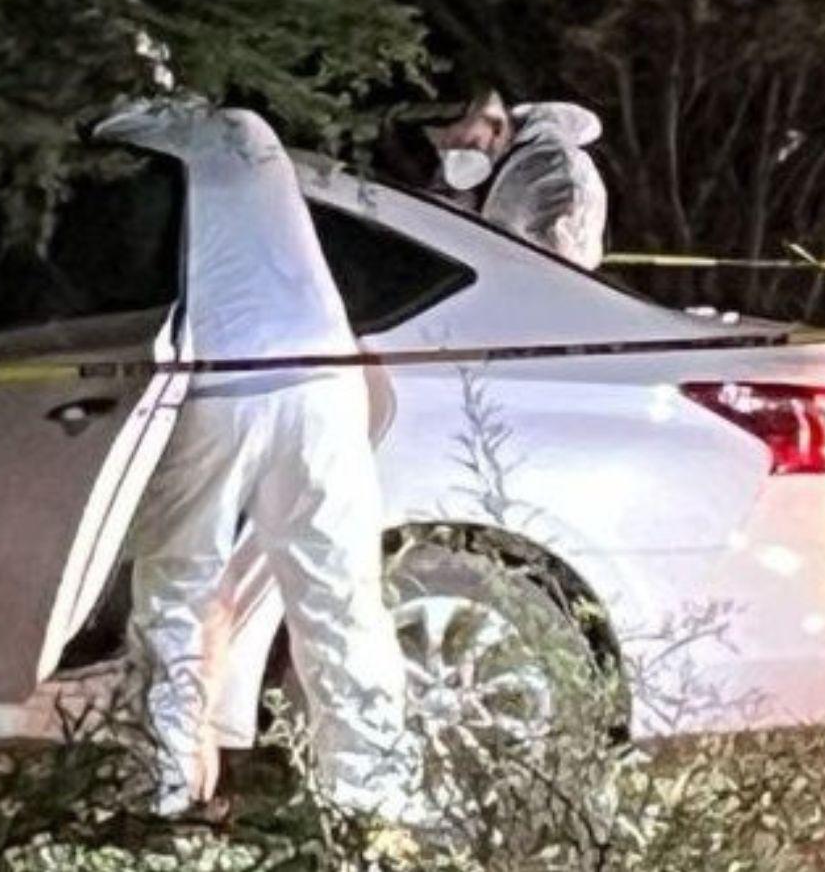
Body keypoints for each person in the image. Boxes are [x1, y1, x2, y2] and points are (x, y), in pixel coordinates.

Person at [94, 100, 420, 821]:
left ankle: (163, 790)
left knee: (176, 589)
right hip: (324, 384)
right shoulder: (247, 130)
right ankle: (377, 809)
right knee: (341, 600)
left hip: (219, 387)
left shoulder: (127, 152)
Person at [426, 89, 608, 269]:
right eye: (443, 146)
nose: (452, 156)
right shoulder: (489, 163)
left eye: (462, 143)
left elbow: (560, 273)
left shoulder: (557, 173)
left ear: (497, 126)